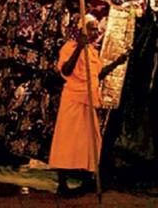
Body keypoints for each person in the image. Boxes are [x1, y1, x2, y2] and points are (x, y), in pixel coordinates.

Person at [49, 14, 128, 196]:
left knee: (90, 141)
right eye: (92, 28)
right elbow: (66, 71)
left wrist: (116, 63)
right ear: (82, 31)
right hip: (73, 101)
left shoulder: (92, 52)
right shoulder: (69, 48)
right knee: (67, 141)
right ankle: (62, 185)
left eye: (96, 29)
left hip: (89, 100)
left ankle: (86, 180)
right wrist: (79, 48)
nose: (96, 32)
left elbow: (97, 75)